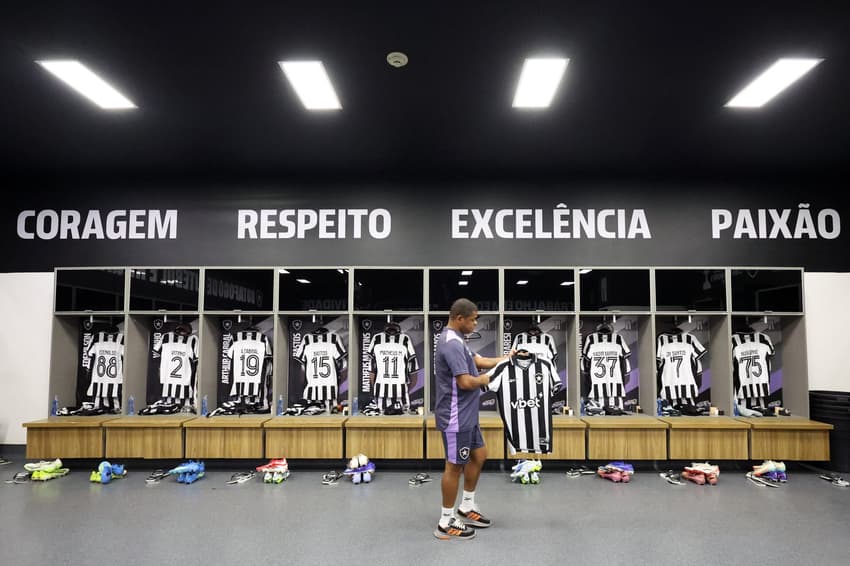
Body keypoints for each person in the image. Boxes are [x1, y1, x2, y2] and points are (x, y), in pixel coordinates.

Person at [433, 298, 514, 540]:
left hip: (468, 414)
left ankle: (466, 505)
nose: (476, 324)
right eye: (473, 319)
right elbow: (466, 381)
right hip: (455, 416)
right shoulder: (451, 344)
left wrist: (508, 359)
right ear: (459, 318)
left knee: (479, 456)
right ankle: (445, 522)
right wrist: (492, 378)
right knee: (454, 466)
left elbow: (479, 362)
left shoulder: (459, 340)